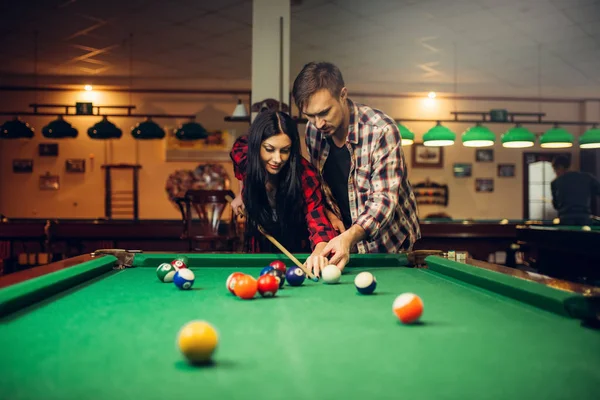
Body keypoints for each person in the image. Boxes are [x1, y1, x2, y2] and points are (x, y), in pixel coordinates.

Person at [292, 61, 421, 276]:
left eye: (324, 112)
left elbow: (384, 199)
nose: (318, 123)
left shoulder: (381, 130)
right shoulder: (313, 132)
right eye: (310, 116)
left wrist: (349, 237)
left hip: (391, 248)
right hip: (344, 246)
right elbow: (322, 187)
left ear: (343, 94)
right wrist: (331, 216)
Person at [230, 110, 337, 273]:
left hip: (295, 243)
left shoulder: (305, 175)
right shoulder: (245, 157)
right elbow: (238, 160)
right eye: (269, 149)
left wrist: (320, 251)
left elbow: (317, 219)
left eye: (285, 150)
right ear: (256, 146)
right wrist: (241, 193)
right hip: (258, 241)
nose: (277, 159)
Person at [551, 155, 600, 225]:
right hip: (584, 217)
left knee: (566, 236)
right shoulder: (587, 177)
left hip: (565, 218)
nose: (555, 173)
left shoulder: (555, 182)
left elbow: (556, 205)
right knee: (585, 236)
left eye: (555, 170)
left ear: (560, 167)